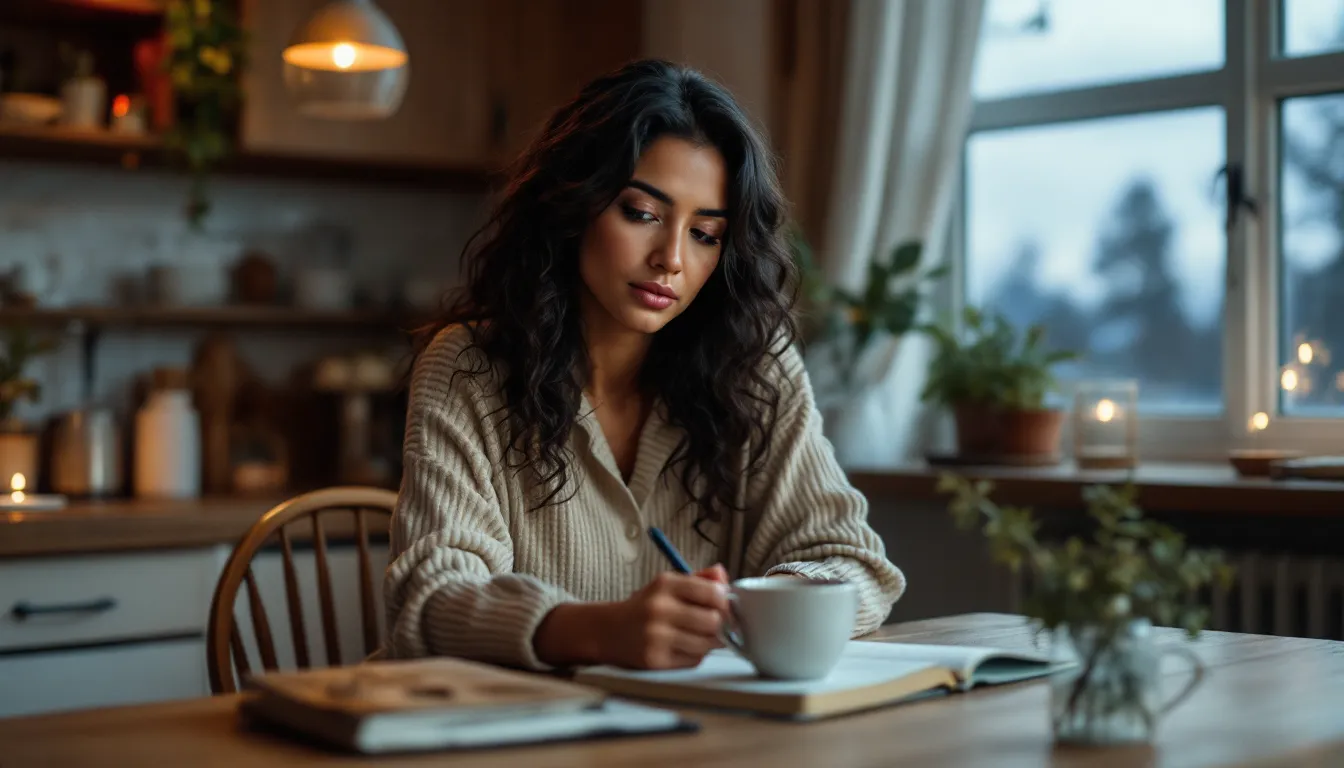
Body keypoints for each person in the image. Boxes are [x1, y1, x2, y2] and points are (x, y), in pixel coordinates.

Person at [385, 59, 905, 672]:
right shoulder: (469, 366)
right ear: (574, 205)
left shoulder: (756, 368)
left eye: (705, 233)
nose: (671, 259)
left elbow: (855, 562)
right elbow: (429, 599)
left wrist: (759, 604)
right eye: (642, 213)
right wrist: (593, 630)